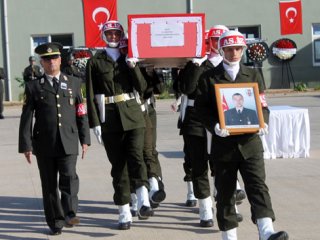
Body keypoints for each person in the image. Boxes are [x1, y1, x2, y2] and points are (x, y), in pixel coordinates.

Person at [195, 30, 288, 240]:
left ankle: (266, 232)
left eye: (238, 48)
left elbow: (262, 104)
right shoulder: (209, 77)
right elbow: (201, 109)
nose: (234, 53)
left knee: (258, 187)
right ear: (222, 50)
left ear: (243, 49)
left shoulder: (253, 75)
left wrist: (263, 121)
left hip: (250, 143)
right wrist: (215, 126)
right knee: (225, 192)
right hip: (224, 145)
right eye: (229, 49)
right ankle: (229, 236)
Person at [85, 20, 152, 230]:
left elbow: (142, 87)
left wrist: (133, 66)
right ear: (104, 36)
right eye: (110, 34)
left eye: (117, 34)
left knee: (136, 156)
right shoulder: (95, 61)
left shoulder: (129, 56)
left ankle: (143, 197)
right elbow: (89, 93)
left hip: (133, 114)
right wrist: (94, 122)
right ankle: (123, 210)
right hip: (110, 118)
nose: (113, 37)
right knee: (118, 166)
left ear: (122, 35)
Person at [18, 42, 91, 235]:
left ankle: (69, 212)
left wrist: (85, 139)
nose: (52, 62)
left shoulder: (74, 83)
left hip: (69, 140)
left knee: (69, 177)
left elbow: (81, 113)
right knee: (49, 185)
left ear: (60, 60)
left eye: (55, 58)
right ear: (41, 62)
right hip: (44, 144)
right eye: (47, 59)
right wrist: (26, 145)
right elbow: (26, 118)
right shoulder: (34, 86)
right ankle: (55, 222)